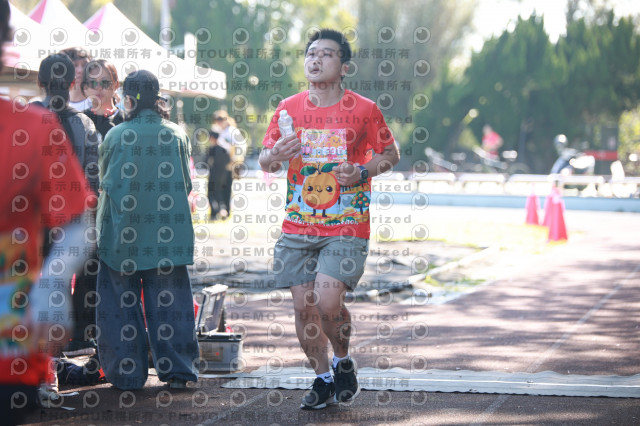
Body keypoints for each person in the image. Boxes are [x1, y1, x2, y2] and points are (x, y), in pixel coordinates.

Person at [259, 28, 400, 409]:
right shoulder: (287, 109)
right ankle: (323, 378)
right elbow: (265, 160)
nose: (315, 59)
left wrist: (362, 172)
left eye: (326, 53)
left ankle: (342, 360)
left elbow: (391, 153)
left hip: (346, 225)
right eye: (311, 53)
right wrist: (276, 154)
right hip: (298, 225)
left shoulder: (365, 109)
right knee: (303, 308)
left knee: (327, 302)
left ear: (344, 66)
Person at [0, 2, 94, 423]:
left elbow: (77, 218)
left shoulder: (34, 124)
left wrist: (52, 282)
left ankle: (49, 377)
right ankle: (51, 379)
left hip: (12, 333)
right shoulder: (75, 124)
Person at [96, 70, 199, 390]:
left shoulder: (115, 136)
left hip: (121, 237)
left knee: (119, 307)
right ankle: (179, 371)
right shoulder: (177, 134)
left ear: (128, 99)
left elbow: (105, 184)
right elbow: (186, 184)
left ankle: (126, 375)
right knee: (171, 306)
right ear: (157, 98)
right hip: (168, 236)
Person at [36, 53, 101, 353]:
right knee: (74, 277)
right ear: (73, 82)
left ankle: (37, 348)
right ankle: (75, 340)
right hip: (74, 218)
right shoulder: (85, 124)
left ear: (41, 83)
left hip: (33, 218)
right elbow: (93, 178)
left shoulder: (27, 118)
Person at [82, 59, 125, 139]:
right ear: (85, 87)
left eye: (104, 82)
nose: (98, 87)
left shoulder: (127, 121)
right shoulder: (79, 121)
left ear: (116, 85)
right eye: (92, 83)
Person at [213, 109, 244, 217]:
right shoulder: (223, 131)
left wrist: (233, 160)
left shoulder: (231, 131)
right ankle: (224, 209)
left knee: (227, 187)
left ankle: (227, 209)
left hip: (231, 163)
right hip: (224, 163)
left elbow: (238, 147)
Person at [206, 126, 232, 220]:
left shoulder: (212, 149)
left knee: (211, 194)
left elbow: (206, 162)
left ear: (212, 138)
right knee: (220, 194)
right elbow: (229, 161)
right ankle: (223, 211)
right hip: (223, 176)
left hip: (213, 175)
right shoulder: (225, 149)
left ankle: (214, 214)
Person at [60, 47, 92, 112]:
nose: (80, 70)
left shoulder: (98, 104)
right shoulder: (55, 106)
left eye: (84, 65)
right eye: (74, 65)